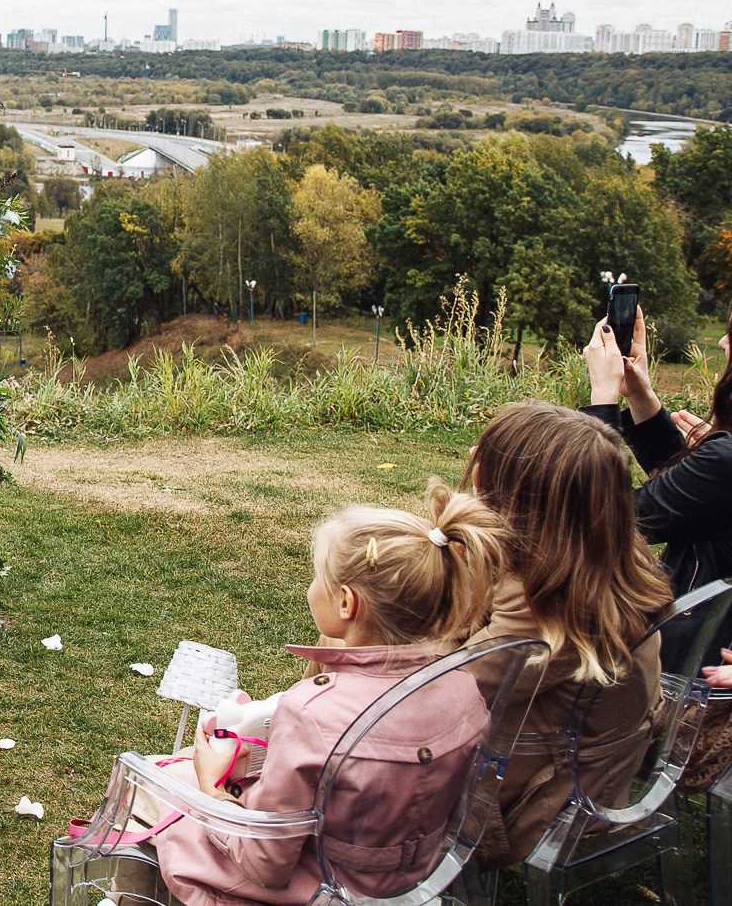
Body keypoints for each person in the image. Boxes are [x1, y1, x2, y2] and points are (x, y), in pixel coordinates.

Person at [148, 481, 508, 906]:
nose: (311, 585)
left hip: (321, 888)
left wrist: (211, 786)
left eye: (318, 575)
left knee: (155, 782)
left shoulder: (311, 712)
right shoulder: (464, 688)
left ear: (346, 603)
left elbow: (263, 862)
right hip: (410, 883)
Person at [458, 401, 670, 867]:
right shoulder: (614, 566)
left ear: (511, 500)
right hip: (598, 778)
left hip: (532, 810)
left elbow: (432, 689)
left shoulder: (543, 612)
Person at [583, 308, 732, 788]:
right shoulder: (724, 460)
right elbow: (691, 495)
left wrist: (603, 402)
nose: (724, 343)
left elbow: (614, 521)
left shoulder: (726, 459)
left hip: (681, 684)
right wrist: (640, 395)